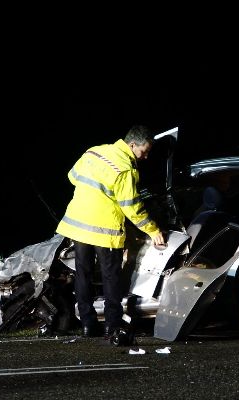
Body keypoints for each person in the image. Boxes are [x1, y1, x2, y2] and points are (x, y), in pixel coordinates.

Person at [56, 125, 166, 339]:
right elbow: (132, 207)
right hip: (104, 230)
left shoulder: (94, 151)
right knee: (111, 278)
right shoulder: (125, 168)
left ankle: (87, 325)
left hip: (78, 225)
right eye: (144, 151)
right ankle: (112, 326)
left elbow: (72, 176)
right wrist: (153, 230)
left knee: (83, 274)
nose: (145, 157)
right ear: (132, 145)